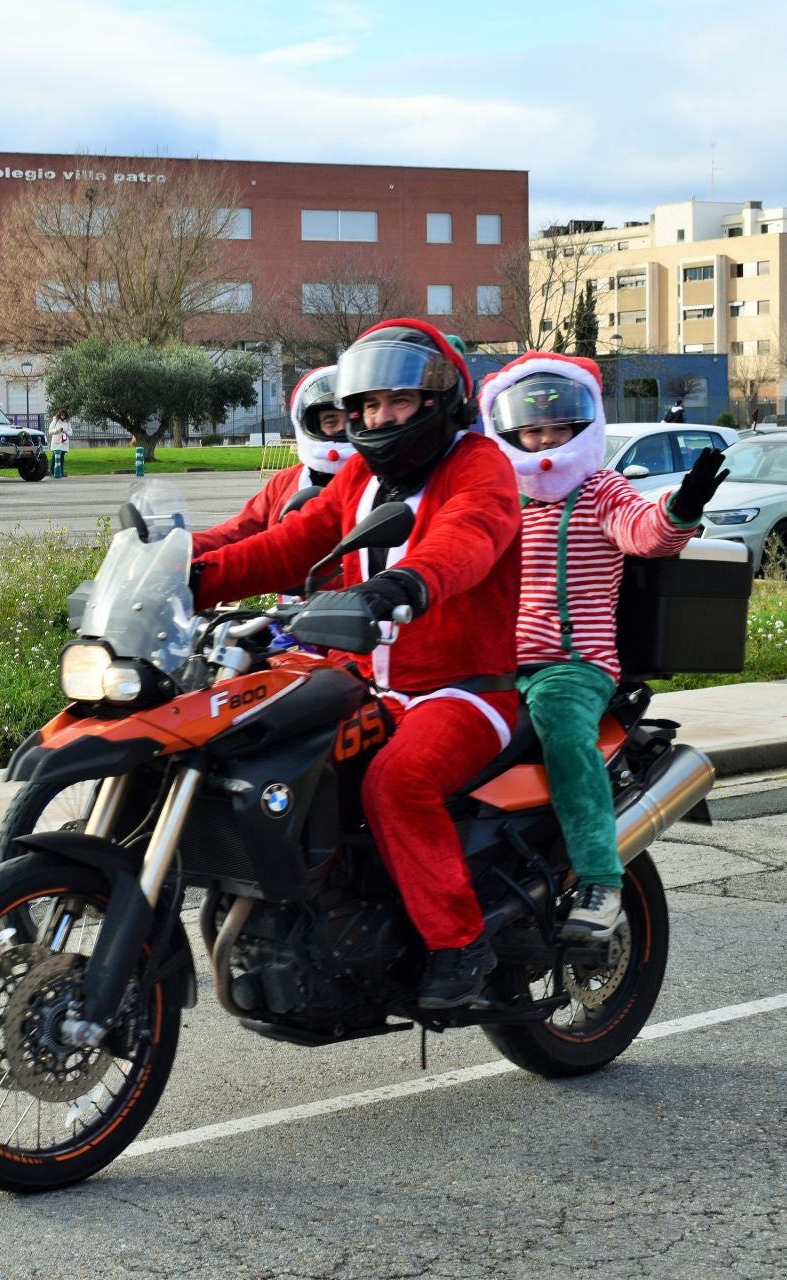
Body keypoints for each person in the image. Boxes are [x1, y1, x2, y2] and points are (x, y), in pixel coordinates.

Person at [189, 319, 520, 1009]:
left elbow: (470, 537)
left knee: (397, 784)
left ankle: (461, 943)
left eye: (396, 401)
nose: (379, 418)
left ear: (439, 399)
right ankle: (320, 916)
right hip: (367, 683)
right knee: (267, 747)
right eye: (367, 406)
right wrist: (183, 573)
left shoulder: (479, 465)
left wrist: (406, 584)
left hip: (462, 691)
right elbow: (286, 545)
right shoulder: (361, 480)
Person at [480, 353, 728, 941]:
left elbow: (648, 532)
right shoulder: (499, 498)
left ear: (579, 429)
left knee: (564, 735)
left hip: (571, 666)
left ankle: (599, 878)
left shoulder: (598, 490)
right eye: (533, 431)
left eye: (557, 429)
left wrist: (682, 507)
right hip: (493, 665)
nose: (545, 442)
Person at [191, 364, 348, 559]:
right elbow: (237, 532)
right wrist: (183, 547)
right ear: (312, 424)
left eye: (350, 420)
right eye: (331, 421)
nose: (342, 429)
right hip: (299, 588)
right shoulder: (285, 483)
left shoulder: (380, 481)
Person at [49, 410, 73, 479]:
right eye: (62, 415)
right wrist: (57, 430)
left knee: (62, 457)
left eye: (64, 415)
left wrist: (65, 431)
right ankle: (52, 472)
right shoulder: (55, 420)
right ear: (59, 415)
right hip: (56, 442)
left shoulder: (68, 422)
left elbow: (71, 433)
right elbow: (50, 431)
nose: (63, 416)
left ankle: (61, 472)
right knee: (55, 456)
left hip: (64, 442)